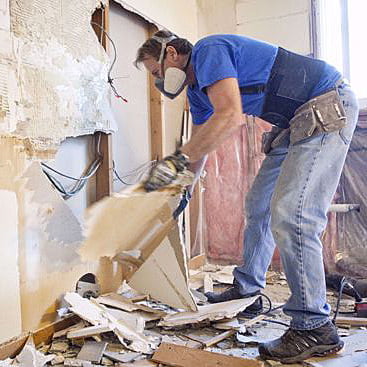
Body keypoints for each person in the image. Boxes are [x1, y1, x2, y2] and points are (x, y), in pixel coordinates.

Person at [134, 31, 359, 363]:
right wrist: (184, 188)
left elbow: (229, 115)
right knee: (259, 205)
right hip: (294, 121)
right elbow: (202, 146)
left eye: (156, 73)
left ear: (171, 54)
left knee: (291, 214)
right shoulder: (197, 92)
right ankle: (248, 290)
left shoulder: (208, 50)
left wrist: (174, 163)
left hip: (325, 102)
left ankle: (314, 325)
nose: (158, 82)